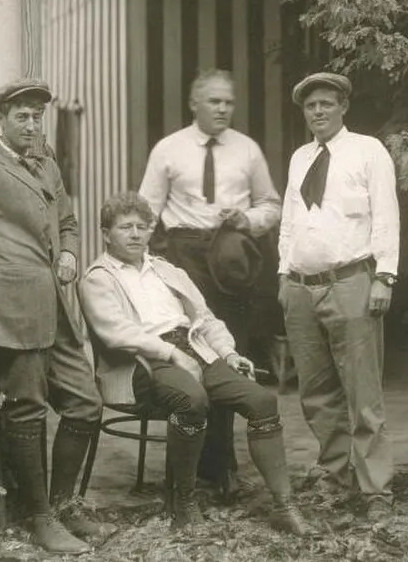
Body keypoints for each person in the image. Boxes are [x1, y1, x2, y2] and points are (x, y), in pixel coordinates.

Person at [0, 78, 108, 555]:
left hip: (54, 306)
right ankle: (40, 518)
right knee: (26, 409)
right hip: (10, 307)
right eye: (22, 116)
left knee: (85, 402)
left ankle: (64, 504)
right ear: (1, 119)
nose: (32, 125)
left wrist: (68, 252)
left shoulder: (47, 165)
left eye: (37, 116)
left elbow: (67, 224)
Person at [78, 192, 307, 536]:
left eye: (142, 226)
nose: (135, 234)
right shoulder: (98, 278)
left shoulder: (168, 271)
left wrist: (228, 353)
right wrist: (171, 354)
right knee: (192, 399)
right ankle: (183, 503)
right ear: (106, 233)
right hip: (142, 361)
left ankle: (284, 506)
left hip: (194, 349)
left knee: (262, 401)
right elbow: (117, 333)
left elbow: (205, 318)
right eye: (125, 227)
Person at [139, 69, 281, 487]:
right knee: (191, 353)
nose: (222, 109)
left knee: (227, 354)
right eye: (214, 101)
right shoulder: (168, 149)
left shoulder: (247, 150)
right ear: (194, 104)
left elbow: (271, 205)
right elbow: (146, 212)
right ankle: (196, 466)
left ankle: (222, 467)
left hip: (232, 256)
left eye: (228, 102)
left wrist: (247, 219)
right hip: (183, 255)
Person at [278, 72, 400, 520]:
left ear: (343, 106)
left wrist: (385, 276)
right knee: (316, 392)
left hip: (351, 283)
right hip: (300, 287)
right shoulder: (300, 157)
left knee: (363, 394)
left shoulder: (368, 151)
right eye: (311, 106)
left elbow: (386, 215)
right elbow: (289, 221)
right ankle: (334, 473)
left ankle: (376, 490)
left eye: (326, 103)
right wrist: (283, 274)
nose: (318, 112)